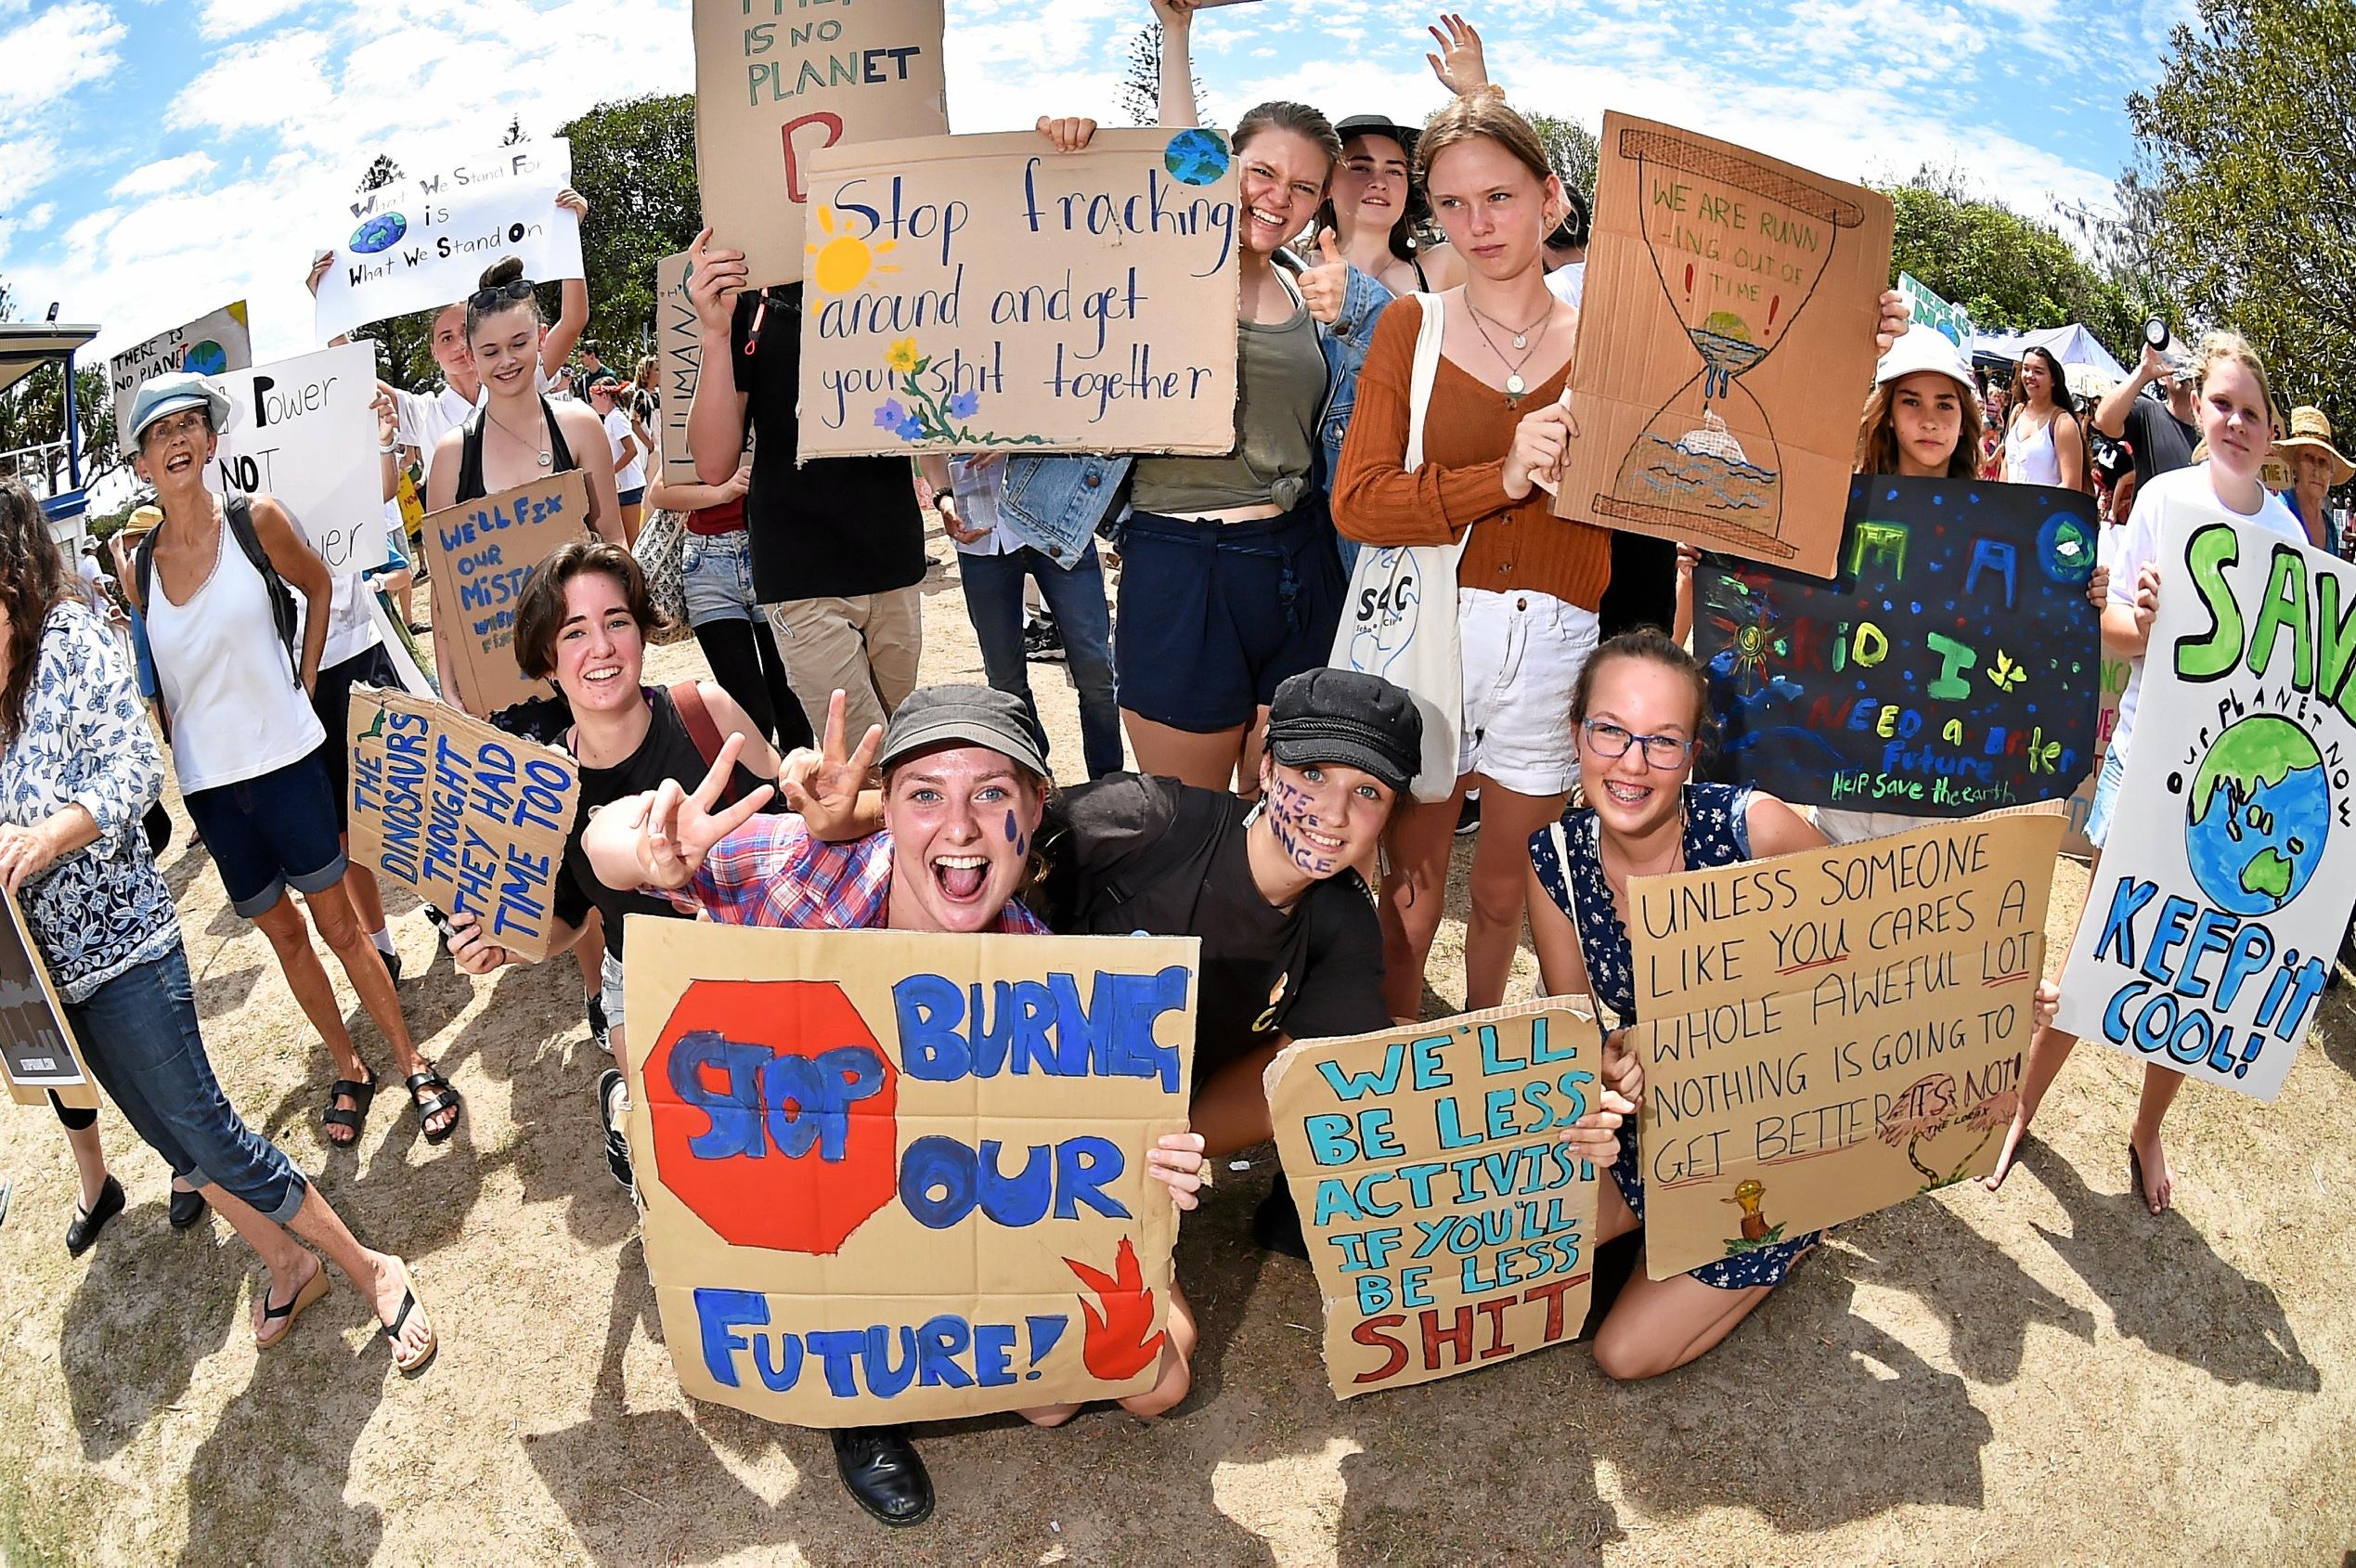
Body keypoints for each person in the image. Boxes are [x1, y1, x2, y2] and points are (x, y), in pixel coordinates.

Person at [581, 685, 1209, 1525]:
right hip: (794, 1181)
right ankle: (859, 1412)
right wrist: (650, 850)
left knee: (1111, 1386)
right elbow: (599, 840)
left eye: (991, 793)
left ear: (1035, 807)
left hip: (934, 1214)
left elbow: (1138, 1322)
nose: (958, 827)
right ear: (886, 812)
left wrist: (1153, 1170)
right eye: (926, 795)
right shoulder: (805, 871)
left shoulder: (1058, 987)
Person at [0, 480, 439, 1369]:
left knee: (207, 1129)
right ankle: (288, 1261)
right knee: (172, 1145)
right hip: (53, 974)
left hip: (126, 953)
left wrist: (50, 834)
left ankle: (371, 1268)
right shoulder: (2, 684)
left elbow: (131, 774)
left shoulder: (72, 640)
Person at [1988, 332, 2298, 1213]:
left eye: (2253, 410)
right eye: (2223, 404)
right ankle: (2023, 1105)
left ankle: (2147, 1125)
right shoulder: (2163, 499)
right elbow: (2111, 632)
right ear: (2198, 408)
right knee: (2100, 946)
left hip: (2230, 786)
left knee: (2192, 963)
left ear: (2271, 430)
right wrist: (2146, 620)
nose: (2237, 422)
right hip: (2145, 761)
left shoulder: (2287, 536)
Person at [122, 374, 457, 1147]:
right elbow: (164, 675)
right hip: (212, 791)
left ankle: (409, 1058)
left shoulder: (256, 521)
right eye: (158, 434)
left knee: (339, 924)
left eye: (188, 426)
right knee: (284, 937)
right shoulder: (136, 567)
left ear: (209, 442)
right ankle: (350, 1066)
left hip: (287, 764)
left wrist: (302, 684)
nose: (176, 441)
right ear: (141, 462)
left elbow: (317, 585)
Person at [1526, 628, 1826, 1377]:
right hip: (1649, 1129)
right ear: (1577, 734)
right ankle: (1645, 1215)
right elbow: (1578, 1037)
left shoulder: (1754, 832)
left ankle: (1785, 1237)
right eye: (1611, 732)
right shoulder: (1555, 861)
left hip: (1765, 1138)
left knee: (1623, 1352)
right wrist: (1606, 1066)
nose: (1632, 763)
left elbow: (1882, 937)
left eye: (1663, 742)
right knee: (1518, 1243)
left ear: (1694, 754)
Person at [442, 539, 785, 1187]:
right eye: (574, 631)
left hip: (756, 958)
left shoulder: (702, 713)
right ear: (547, 658)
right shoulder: (542, 787)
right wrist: (503, 946)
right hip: (647, 983)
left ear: (642, 633)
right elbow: (569, 922)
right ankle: (627, 1105)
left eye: (617, 621)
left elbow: (793, 828)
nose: (600, 647)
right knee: (689, 1163)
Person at [680, 240, 937, 747]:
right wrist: (714, 334)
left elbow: (926, 406)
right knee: (865, 759)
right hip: (802, 572)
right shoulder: (748, 296)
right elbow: (712, 465)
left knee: (902, 744)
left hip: (892, 558)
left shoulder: (896, 270)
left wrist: (946, 488)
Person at [308, 188, 590, 492]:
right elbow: (359, 376)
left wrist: (568, 236)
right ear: (433, 352)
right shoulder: (424, 413)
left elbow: (573, 321)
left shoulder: (517, 377)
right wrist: (327, 302)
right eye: (446, 338)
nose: (458, 344)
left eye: (464, 333)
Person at [940, 455, 1123, 781]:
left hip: (1057, 519)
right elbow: (927, 440)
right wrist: (943, 496)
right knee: (1005, 680)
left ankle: (1108, 782)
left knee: (1095, 670)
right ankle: (1035, 783)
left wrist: (1017, 434)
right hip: (980, 531)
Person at [646, 434, 816, 756]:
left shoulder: (771, 409)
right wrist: (720, 492)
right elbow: (659, 491)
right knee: (748, 705)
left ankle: (799, 792)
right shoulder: (699, 420)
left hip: (772, 552)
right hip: (707, 564)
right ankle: (763, 794)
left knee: (791, 696)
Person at [2093, 335, 2200, 502]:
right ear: (2162, 378)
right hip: (2153, 526)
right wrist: (2144, 371)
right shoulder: (2148, 412)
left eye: (2184, 361)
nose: (2179, 368)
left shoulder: (2210, 426)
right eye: (2171, 362)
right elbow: (2104, 420)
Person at [2001, 345, 2088, 491]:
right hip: (2010, 510)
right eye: (2026, 369)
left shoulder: (2063, 423)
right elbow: (2006, 466)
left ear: (2053, 380)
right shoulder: (2017, 413)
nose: (2030, 376)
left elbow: (2071, 486)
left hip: (2046, 511)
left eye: (2038, 371)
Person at [2272, 405, 2352, 553]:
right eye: (2308, 458)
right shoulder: (2278, 510)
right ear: (2295, 465)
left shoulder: (2330, 528)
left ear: (2331, 473)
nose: (2316, 469)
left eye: (2323, 462)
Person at [586, 370, 649, 544]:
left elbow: (631, 450)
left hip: (629, 486)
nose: (592, 403)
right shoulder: (610, 419)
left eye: (594, 397)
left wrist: (610, 472)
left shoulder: (616, 418)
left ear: (604, 396)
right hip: (622, 485)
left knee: (631, 538)